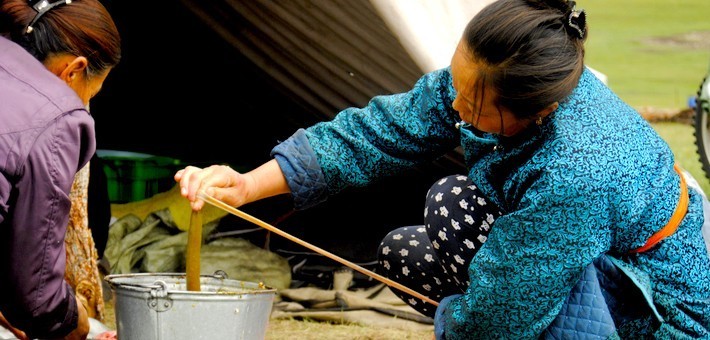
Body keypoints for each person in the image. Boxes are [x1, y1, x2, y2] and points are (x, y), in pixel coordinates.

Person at [175, 0, 710, 338]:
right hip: (563, 258)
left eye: (471, 100)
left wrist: (456, 326)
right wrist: (247, 184)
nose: (454, 104)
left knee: (452, 203)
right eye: (454, 81)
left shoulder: (576, 172)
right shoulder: (486, 79)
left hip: (654, 309)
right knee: (402, 253)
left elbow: (504, 313)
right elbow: (372, 134)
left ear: (536, 110)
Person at [0, 0, 121, 339]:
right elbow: (35, 294)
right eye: (90, 93)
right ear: (74, 69)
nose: (84, 105)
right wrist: (75, 321)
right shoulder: (57, 118)